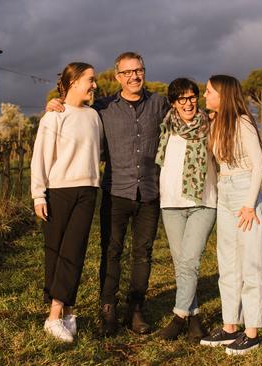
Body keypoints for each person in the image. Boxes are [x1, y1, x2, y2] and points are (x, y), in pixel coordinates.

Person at [46, 52, 170, 336]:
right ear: (117, 77)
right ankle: (108, 310)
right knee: (111, 252)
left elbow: (187, 115)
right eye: (127, 73)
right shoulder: (102, 107)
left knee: (143, 254)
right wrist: (55, 103)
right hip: (115, 192)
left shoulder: (159, 104)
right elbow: (73, 109)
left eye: (138, 70)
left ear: (144, 72)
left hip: (150, 192)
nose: (133, 77)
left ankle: (136, 310)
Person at [31, 62, 101, 343]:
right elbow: (41, 157)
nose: (95, 85)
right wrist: (38, 194)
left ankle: (63, 313)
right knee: (57, 253)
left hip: (88, 190)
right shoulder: (53, 116)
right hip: (58, 191)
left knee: (75, 251)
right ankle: (57, 315)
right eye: (90, 80)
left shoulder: (95, 116)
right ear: (73, 82)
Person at [198, 75, 262, 356]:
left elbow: (259, 165)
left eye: (209, 91)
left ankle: (252, 332)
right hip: (225, 193)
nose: (204, 95)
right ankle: (230, 327)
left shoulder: (242, 123)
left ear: (223, 95)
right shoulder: (215, 123)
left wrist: (250, 204)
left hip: (244, 195)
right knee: (227, 263)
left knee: (251, 264)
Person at [155, 78, 216, 343]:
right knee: (182, 265)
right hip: (171, 203)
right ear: (173, 103)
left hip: (204, 202)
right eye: (182, 99)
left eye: (192, 97)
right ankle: (195, 319)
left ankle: (179, 316)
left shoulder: (212, 125)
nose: (189, 103)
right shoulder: (166, 125)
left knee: (190, 261)